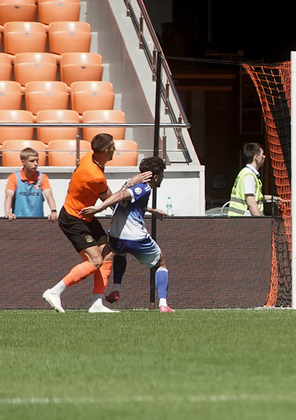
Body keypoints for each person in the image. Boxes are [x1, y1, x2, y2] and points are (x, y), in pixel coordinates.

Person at [41, 133, 151, 313]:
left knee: (108, 253)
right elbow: (110, 199)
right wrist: (131, 183)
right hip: (74, 219)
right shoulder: (94, 175)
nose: (115, 149)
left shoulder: (91, 159)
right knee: (95, 260)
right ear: (107, 150)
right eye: (113, 146)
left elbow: (108, 195)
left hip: (86, 216)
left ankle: (96, 303)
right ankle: (54, 291)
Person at [80, 156, 174, 312]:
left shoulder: (130, 184)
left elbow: (127, 201)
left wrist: (150, 210)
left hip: (116, 237)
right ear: (156, 177)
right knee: (161, 263)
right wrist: (99, 209)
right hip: (135, 238)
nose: (163, 177)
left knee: (119, 254)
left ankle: (116, 288)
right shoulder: (143, 187)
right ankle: (163, 304)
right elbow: (122, 196)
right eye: (162, 174)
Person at [4, 147, 59, 221]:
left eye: (37, 160)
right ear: (23, 162)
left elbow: (49, 195)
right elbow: (9, 195)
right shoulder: (14, 177)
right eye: (32, 161)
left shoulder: (42, 177)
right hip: (18, 221)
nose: (35, 164)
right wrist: (8, 213)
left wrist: (53, 211)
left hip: (37, 221)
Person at [228, 142, 267, 216]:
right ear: (256, 157)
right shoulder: (249, 176)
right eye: (262, 154)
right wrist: (261, 222)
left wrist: (274, 198)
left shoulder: (245, 173)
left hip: (239, 220)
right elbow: (251, 202)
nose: (264, 157)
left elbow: (256, 196)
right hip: (246, 221)